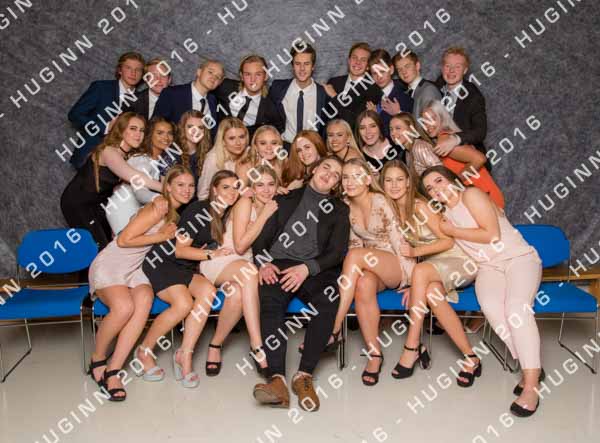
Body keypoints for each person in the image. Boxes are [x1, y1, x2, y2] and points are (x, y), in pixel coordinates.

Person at [421, 166, 543, 417]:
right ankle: (531, 364)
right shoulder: (444, 216)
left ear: (452, 179)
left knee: (516, 308)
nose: (436, 189)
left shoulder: (471, 194)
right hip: (489, 268)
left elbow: (492, 234)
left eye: (439, 181)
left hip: (519, 258)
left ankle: (531, 385)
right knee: (491, 308)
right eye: (430, 189)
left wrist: (453, 231)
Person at [87, 165, 193, 400]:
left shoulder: (174, 214)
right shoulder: (157, 207)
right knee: (124, 307)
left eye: (190, 185)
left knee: (144, 300)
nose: (186, 190)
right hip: (114, 263)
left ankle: (114, 369)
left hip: (136, 268)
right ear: (167, 187)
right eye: (180, 185)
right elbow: (123, 240)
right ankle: (98, 358)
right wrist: (162, 235)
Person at [252, 156, 349, 412]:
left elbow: (337, 252)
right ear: (314, 169)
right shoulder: (284, 199)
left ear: (337, 184)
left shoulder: (340, 209)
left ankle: (304, 376)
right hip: (279, 263)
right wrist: (263, 263)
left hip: (315, 268)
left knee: (328, 300)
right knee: (270, 303)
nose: (329, 175)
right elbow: (260, 239)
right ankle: (277, 380)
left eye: (336, 175)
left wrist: (307, 268)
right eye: (326, 168)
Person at [379, 161, 482, 387]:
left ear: (408, 183)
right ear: (382, 184)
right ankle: (471, 358)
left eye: (399, 179)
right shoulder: (393, 210)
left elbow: (448, 241)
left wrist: (416, 255)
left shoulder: (420, 206)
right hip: (434, 266)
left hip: (461, 260)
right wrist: (416, 284)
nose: (394, 185)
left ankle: (411, 347)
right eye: (389, 180)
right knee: (432, 293)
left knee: (421, 271)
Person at [138, 173, 235, 388]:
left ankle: (185, 354)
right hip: (163, 262)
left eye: (235, 188)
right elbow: (180, 250)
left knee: (208, 292)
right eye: (226, 187)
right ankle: (144, 351)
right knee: (183, 304)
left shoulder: (223, 213)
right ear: (214, 190)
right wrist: (212, 254)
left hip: (186, 267)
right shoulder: (200, 210)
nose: (232, 192)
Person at [329, 158, 415, 386]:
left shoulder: (380, 200)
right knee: (363, 284)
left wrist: (413, 280)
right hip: (369, 263)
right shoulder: (345, 205)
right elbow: (354, 243)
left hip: (396, 263)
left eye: (356, 176)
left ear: (368, 180)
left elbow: (398, 240)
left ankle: (334, 327)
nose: (349, 182)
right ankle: (374, 354)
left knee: (355, 256)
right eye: (345, 177)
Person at [200, 166, 281, 377]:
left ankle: (215, 345)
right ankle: (257, 345)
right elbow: (240, 246)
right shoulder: (245, 203)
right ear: (252, 188)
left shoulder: (273, 206)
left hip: (244, 265)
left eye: (271, 184)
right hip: (223, 259)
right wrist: (263, 216)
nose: (266, 190)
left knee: (236, 295)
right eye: (260, 185)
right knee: (249, 272)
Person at [60, 112, 162, 249]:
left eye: (142, 130)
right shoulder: (109, 152)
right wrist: (167, 188)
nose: (138, 134)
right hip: (77, 203)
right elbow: (136, 177)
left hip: (97, 206)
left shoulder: (127, 155)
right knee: (96, 247)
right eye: (133, 129)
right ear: (121, 130)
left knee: (106, 246)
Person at [68, 52, 144, 168]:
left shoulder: (142, 99)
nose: (133, 73)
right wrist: (104, 127)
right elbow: (75, 115)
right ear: (120, 70)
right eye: (128, 68)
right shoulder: (101, 88)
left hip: (119, 162)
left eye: (138, 70)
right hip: (89, 154)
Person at [420, 101, 504, 208]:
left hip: (483, 195)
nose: (428, 125)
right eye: (424, 122)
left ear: (442, 117)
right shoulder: (448, 135)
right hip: (479, 195)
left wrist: (456, 181)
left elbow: (479, 159)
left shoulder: (444, 139)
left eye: (432, 119)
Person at [105, 117, 176, 234]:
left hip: (137, 209)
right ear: (150, 135)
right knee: (124, 243)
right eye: (160, 133)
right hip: (122, 208)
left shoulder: (163, 161)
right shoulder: (141, 159)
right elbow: (140, 193)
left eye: (170, 133)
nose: (166, 137)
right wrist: (157, 197)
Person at [268, 43, 329, 146]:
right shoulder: (277, 88)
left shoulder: (323, 93)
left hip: (312, 148)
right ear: (292, 66)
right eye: (297, 64)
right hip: (285, 147)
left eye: (306, 64)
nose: (302, 69)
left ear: (313, 66)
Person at [435, 47, 488, 158]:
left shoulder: (473, 96)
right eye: (447, 66)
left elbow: (480, 131)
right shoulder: (437, 86)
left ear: (465, 70)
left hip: (469, 155)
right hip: (439, 152)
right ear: (442, 68)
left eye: (457, 67)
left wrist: (455, 139)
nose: (451, 71)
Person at [215, 54, 284, 139]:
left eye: (258, 74)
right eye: (248, 74)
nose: (253, 79)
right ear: (241, 76)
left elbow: (278, 129)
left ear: (265, 76)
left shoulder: (271, 107)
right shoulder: (225, 87)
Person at [154, 59, 224, 137]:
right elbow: (155, 125)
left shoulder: (213, 101)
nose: (214, 77)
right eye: (210, 72)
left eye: (218, 76)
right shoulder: (172, 94)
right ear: (199, 72)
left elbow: (211, 133)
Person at [325, 42, 381, 131]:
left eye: (363, 60)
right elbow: (325, 116)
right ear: (349, 60)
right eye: (354, 58)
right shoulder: (333, 83)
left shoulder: (373, 90)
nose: (357, 62)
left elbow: (355, 123)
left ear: (368, 66)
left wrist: (335, 97)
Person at [197, 117, 249, 200]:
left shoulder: (250, 153)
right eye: (232, 138)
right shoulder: (213, 159)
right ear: (223, 141)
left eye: (241, 137)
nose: (238, 143)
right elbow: (202, 194)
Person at [366, 49, 413, 139]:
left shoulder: (403, 95)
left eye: (382, 71)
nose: (379, 77)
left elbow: (408, 133)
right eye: (374, 73)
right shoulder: (375, 96)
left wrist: (376, 118)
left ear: (391, 70)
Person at [392, 51, 441, 120]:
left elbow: (430, 124)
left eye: (407, 66)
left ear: (417, 66)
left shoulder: (428, 90)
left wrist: (399, 113)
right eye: (400, 70)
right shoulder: (407, 92)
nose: (404, 72)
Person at [356, 110, 403, 174]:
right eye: (362, 128)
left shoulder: (397, 144)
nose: (368, 132)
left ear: (380, 127)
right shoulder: (359, 156)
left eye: (373, 126)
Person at [175, 110, 213, 186]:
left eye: (200, 127)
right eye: (190, 126)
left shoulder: (209, 153)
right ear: (183, 128)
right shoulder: (173, 152)